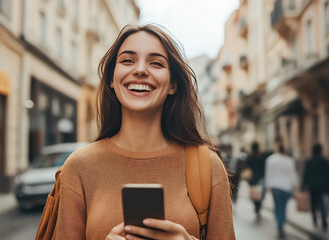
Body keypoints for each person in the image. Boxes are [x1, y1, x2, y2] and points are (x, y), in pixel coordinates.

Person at [53, 24, 235, 239]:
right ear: (111, 78)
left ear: (173, 84)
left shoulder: (208, 165)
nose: (140, 70)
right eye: (128, 60)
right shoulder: (78, 166)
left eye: (156, 63)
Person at [265, 144, 298, 239]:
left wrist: (268, 186)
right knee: (283, 207)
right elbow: (293, 174)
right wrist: (294, 186)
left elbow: (269, 173)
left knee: (277, 207)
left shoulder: (271, 159)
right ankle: (281, 222)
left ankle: (279, 223)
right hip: (286, 188)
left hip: (276, 187)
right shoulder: (289, 161)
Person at [301, 143, 329, 231]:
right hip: (322, 187)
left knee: (313, 204)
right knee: (322, 204)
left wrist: (303, 186)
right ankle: (324, 220)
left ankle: (315, 219)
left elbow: (305, 175)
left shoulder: (309, 161)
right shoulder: (324, 161)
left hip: (313, 187)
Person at [245, 141, 266, 223]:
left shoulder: (249, 157)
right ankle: (258, 207)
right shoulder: (261, 157)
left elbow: (246, 166)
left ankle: (257, 207)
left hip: (252, 179)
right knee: (260, 195)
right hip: (260, 179)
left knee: (254, 195)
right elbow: (264, 168)